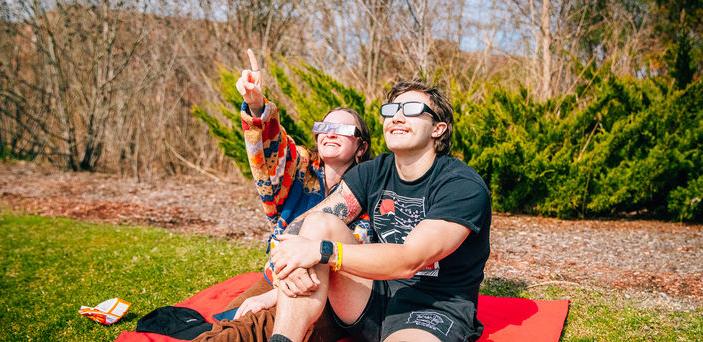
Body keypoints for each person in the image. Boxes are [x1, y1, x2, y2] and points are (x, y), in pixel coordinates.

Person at [267, 80, 491, 342]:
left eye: (411, 109)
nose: (396, 117)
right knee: (318, 224)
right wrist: (284, 269)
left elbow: (411, 260)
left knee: (316, 244)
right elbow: (299, 227)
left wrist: (322, 251)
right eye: (391, 109)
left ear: (438, 129)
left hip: (433, 307)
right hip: (370, 296)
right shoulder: (373, 171)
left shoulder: (461, 185)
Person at [194, 49, 375, 341]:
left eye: (341, 129)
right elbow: (271, 148)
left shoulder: (369, 187)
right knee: (231, 323)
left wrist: (273, 297)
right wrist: (256, 106)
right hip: (278, 275)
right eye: (324, 127)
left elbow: (356, 253)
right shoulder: (299, 167)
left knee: (250, 330)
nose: (329, 133)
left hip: (328, 292)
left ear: (361, 147)